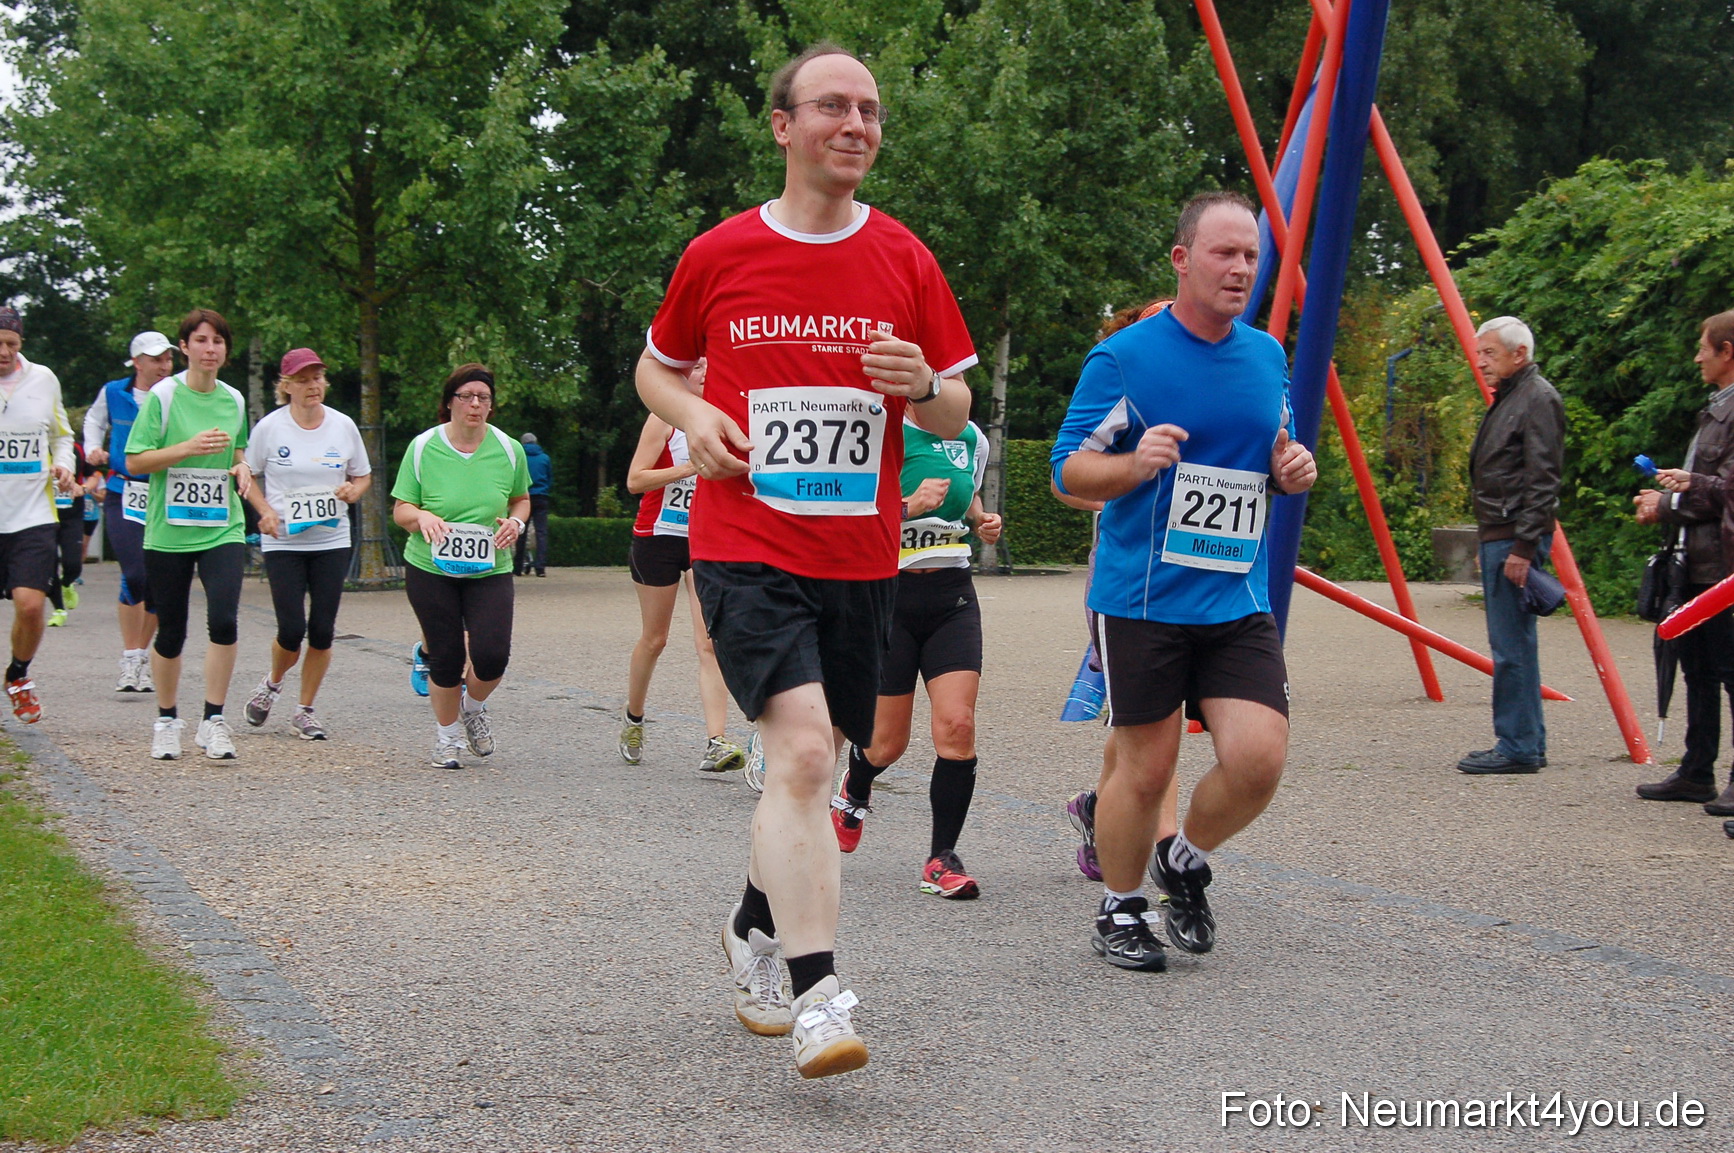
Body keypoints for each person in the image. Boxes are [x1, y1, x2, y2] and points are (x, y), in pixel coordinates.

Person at [636, 42, 977, 1078]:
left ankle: (748, 924)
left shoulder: (906, 259)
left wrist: (923, 385)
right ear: (783, 126)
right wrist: (695, 413)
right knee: (804, 759)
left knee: (809, 763)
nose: (857, 124)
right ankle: (818, 992)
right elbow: (656, 367)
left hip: (860, 557)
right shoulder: (721, 252)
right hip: (745, 543)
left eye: (870, 110)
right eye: (834, 105)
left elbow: (958, 405)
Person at [1051, 191, 1317, 973]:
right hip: (1142, 599)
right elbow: (1067, 473)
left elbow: (1278, 450)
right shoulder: (1127, 356)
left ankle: (1185, 860)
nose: (1240, 269)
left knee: (1259, 757)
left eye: (1251, 257)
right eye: (1224, 253)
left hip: (1236, 597)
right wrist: (1132, 466)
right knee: (1148, 765)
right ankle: (1120, 907)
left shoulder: (1268, 356)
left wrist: (1291, 468)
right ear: (1182, 259)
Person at [832, 416, 1000, 899]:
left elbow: (967, 495)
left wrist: (981, 521)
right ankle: (855, 786)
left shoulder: (971, 436)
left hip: (952, 595)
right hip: (890, 597)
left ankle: (940, 858)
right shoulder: (882, 426)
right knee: (886, 745)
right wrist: (907, 506)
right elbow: (848, 506)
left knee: (957, 726)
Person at [1059, 298, 1176, 884]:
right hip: (1123, 578)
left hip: (1193, 580)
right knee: (1150, 718)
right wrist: (1124, 482)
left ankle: (1102, 811)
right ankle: (1165, 856)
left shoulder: (1191, 384)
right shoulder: (1117, 379)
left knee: (1136, 722)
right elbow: (1068, 478)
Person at [123, 309, 254, 760]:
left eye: (218, 342)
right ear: (185, 347)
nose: (210, 349)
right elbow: (135, 462)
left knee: (223, 619)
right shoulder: (162, 397)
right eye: (201, 340)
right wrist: (186, 449)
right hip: (169, 530)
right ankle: (166, 719)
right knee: (172, 630)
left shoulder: (234, 399)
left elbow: (239, 452)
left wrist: (242, 467)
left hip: (223, 526)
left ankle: (213, 719)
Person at [391, 364, 530, 770]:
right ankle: (447, 737)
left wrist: (517, 522)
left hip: (489, 569)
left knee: (492, 656)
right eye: (466, 396)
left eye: (483, 398)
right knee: (447, 658)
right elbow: (401, 508)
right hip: (431, 567)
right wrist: (422, 519)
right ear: (449, 402)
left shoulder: (508, 449)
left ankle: (473, 708)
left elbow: (522, 498)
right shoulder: (422, 447)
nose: (475, 404)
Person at [621, 360, 747, 774]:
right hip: (657, 537)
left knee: (709, 640)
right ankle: (634, 717)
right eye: (697, 367)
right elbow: (635, 480)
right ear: (681, 375)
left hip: (701, 540)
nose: (706, 372)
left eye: (712, 365)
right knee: (655, 639)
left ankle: (715, 741)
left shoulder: (722, 418)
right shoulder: (663, 420)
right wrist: (690, 468)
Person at [239, 348, 372, 741]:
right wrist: (264, 510)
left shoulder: (343, 426)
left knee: (322, 630)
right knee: (291, 627)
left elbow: (362, 476)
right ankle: (273, 683)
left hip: (332, 538)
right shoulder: (270, 428)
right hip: (284, 541)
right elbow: (247, 473)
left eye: (317, 378)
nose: (312, 386)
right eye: (302, 379)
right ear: (286, 386)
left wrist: (353, 490)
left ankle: (305, 710)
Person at [1455, 316, 1566, 775]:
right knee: (1514, 640)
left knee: (1510, 644)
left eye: (1490, 354)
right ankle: (1526, 740)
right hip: (1504, 531)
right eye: (1480, 353)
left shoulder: (1535, 398)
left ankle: (1517, 744)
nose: (1480, 362)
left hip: (1515, 534)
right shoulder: (1515, 397)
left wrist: (1521, 547)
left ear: (1519, 354)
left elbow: (1543, 478)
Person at [1639, 310, 1734, 810]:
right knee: (1697, 668)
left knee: (1730, 670)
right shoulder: (1716, 408)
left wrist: (1669, 502)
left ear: (1727, 352)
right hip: (1697, 562)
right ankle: (1697, 771)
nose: (1696, 356)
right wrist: (1677, 491)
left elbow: (1726, 492)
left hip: (1724, 567)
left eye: (1704, 347)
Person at [0, 306, 77, 722]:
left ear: (21, 345)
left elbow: (62, 436)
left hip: (32, 513)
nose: (3, 352)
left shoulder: (43, 379)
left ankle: (18, 674)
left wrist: (65, 465)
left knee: (30, 606)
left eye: (10, 344)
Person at [86, 331, 174, 691]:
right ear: (137, 362)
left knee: (156, 580)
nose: (164, 367)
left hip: (164, 493)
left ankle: (139, 656)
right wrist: (93, 448)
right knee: (134, 573)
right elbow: (94, 420)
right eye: (156, 360)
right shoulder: (113, 392)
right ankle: (130, 655)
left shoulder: (177, 394)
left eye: (168, 359)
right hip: (124, 490)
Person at [45, 441, 99, 627]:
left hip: (72, 517)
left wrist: (82, 489)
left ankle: (67, 583)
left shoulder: (75, 449)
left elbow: (95, 476)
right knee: (48, 567)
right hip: (44, 518)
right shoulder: (36, 448)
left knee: (73, 564)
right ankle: (59, 610)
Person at [513, 432, 552, 577]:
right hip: (541, 497)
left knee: (521, 532)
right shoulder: (545, 458)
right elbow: (549, 477)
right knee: (541, 533)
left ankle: (517, 567)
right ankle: (540, 568)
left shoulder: (520, 457)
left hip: (524, 498)